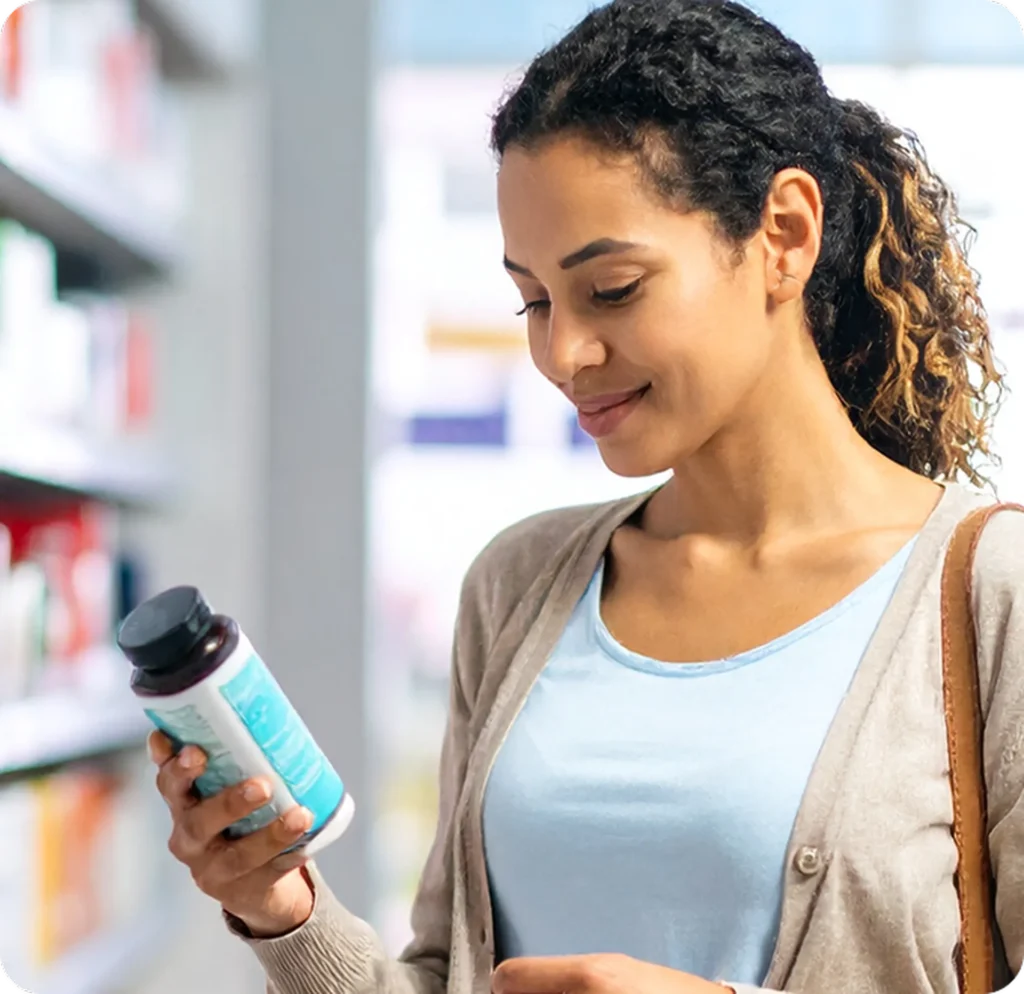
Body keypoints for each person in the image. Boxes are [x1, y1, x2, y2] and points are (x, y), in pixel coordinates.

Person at [147, 1, 1024, 992]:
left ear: (783, 233)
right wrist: (285, 910)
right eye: (533, 300)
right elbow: (444, 976)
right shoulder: (520, 585)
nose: (563, 354)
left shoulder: (993, 594)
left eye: (610, 289)